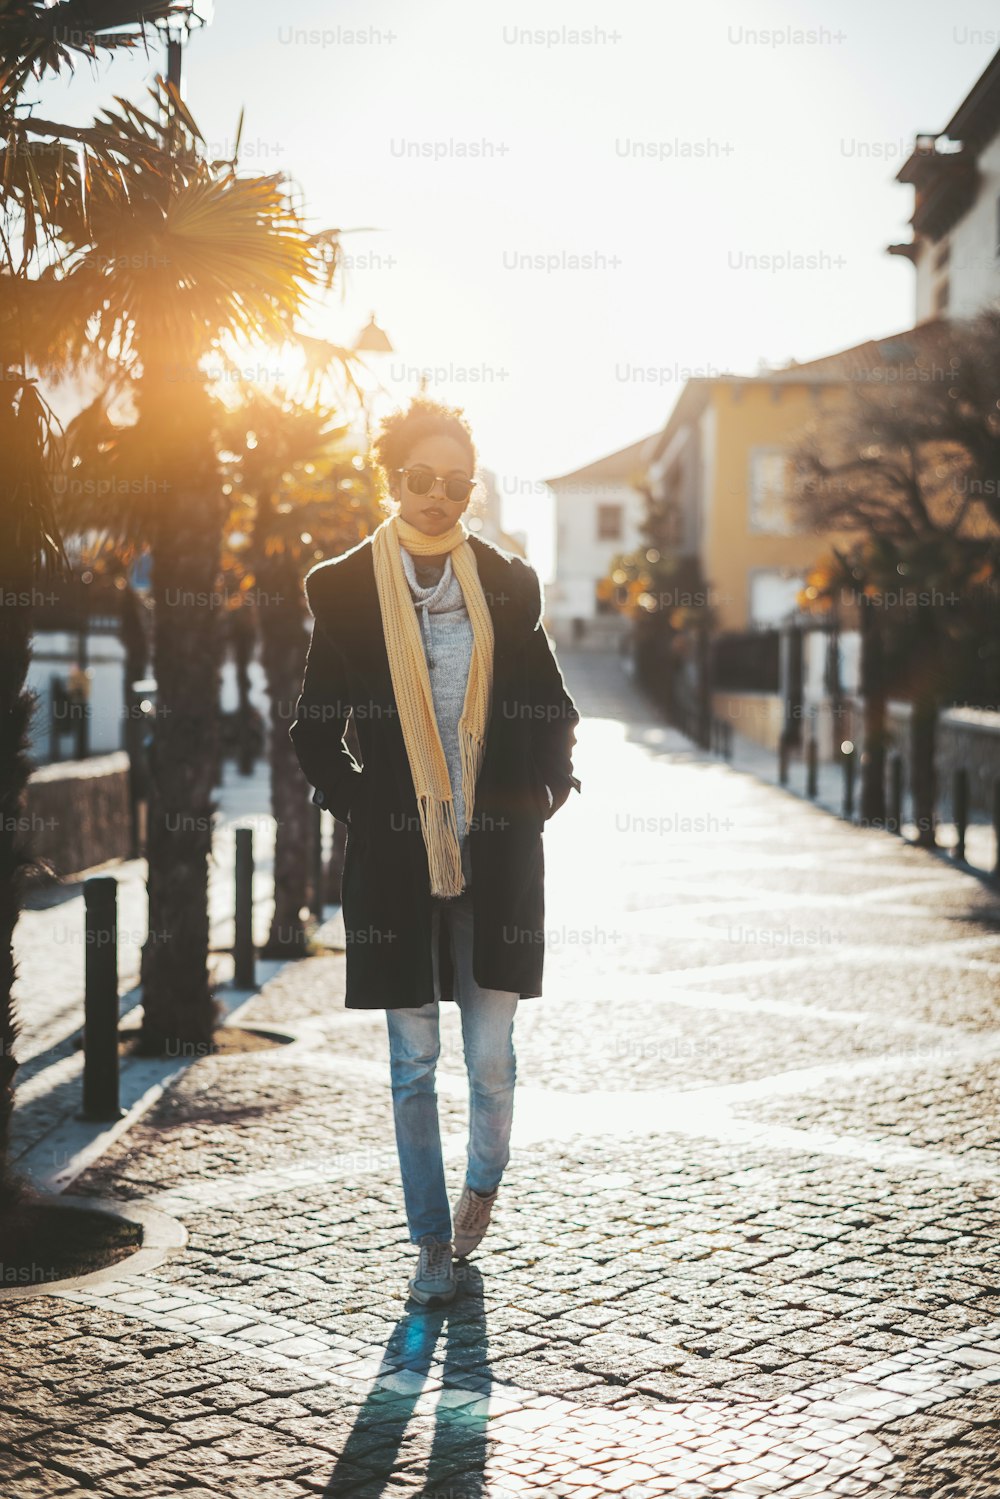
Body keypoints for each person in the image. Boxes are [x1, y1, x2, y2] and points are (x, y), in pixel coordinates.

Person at [290, 398, 581, 1306]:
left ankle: (481, 1188)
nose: (439, 497)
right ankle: (428, 1245)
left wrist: (539, 797)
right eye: (421, 479)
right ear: (393, 478)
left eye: (457, 483)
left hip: (495, 861)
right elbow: (313, 731)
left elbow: (552, 712)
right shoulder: (343, 590)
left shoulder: (507, 583)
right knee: (412, 1064)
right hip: (395, 867)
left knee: (489, 1059)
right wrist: (365, 810)